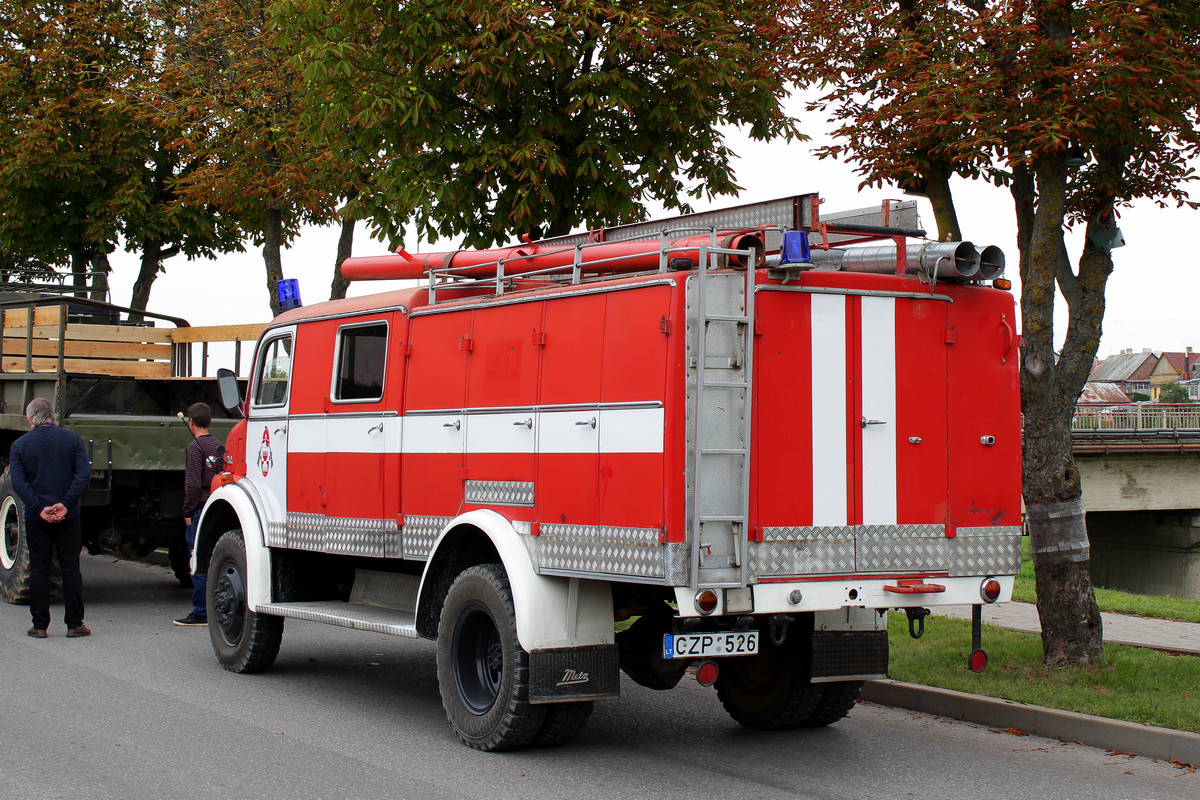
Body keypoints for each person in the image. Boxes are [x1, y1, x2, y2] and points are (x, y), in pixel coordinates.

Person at [10, 397, 92, 638]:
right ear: (52, 417)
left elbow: (19, 482)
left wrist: (39, 507)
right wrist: (65, 505)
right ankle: (75, 624)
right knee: (71, 568)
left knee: (39, 568)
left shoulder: (20, 445)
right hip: (69, 516)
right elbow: (83, 474)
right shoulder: (72, 440)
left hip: (38, 517)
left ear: (30, 418)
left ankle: (39, 625)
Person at [174, 402, 223, 626]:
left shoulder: (193, 448)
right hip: (216, 505)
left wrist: (187, 510)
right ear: (210, 421)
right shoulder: (219, 445)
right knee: (213, 557)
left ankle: (201, 612)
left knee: (197, 557)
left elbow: (193, 485)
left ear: (191, 422)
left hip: (199, 507)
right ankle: (217, 608)